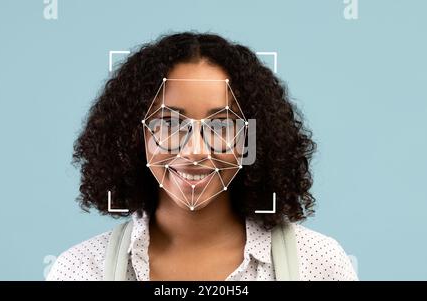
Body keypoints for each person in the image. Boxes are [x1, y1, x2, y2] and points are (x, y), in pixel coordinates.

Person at [47, 32, 358, 281]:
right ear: (136, 137)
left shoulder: (318, 265)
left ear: (250, 138)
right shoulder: (80, 271)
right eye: (169, 124)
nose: (195, 150)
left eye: (221, 125)